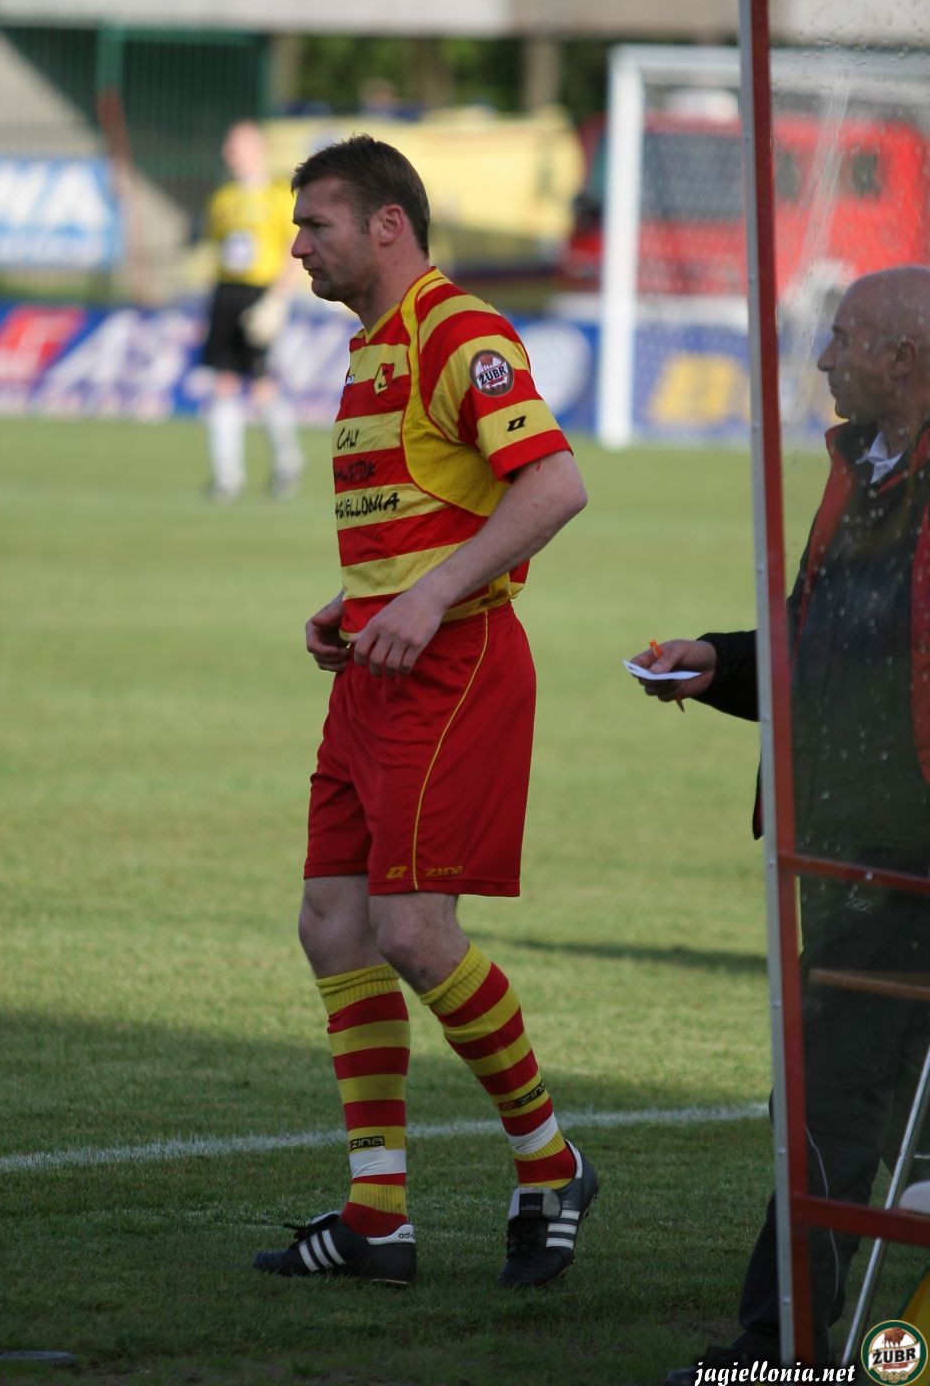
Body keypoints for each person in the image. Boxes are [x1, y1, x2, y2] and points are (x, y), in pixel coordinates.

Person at [252, 135, 596, 1288]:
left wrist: (430, 594)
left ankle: (550, 1163)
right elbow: (432, 511)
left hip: (452, 669)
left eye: (315, 223)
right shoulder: (372, 347)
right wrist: (355, 602)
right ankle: (377, 1215)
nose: (298, 246)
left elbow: (555, 484)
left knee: (410, 929)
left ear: (387, 224)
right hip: (375, 668)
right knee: (333, 923)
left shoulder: (459, 331)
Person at [633, 266, 930, 1376]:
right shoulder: (859, 468)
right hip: (850, 849)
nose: (822, 358)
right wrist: (718, 663)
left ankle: (785, 1349)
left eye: (842, 337)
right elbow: (822, 636)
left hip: (910, 846)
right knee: (834, 1099)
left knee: (837, 1098)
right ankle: (790, 1344)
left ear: (904, 357)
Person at [199, 121, 304, 502]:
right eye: (229, 148)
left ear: (258, 149)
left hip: (262, 293)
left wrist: (278, 300)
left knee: (261, 384)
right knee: (223, 381)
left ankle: (287, 461)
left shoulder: (278, 196)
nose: (229, 155)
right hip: (226, 293)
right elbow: (216, 249)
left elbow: (292, 249)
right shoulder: (223, 198)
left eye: (236, 147)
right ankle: (227, 475)